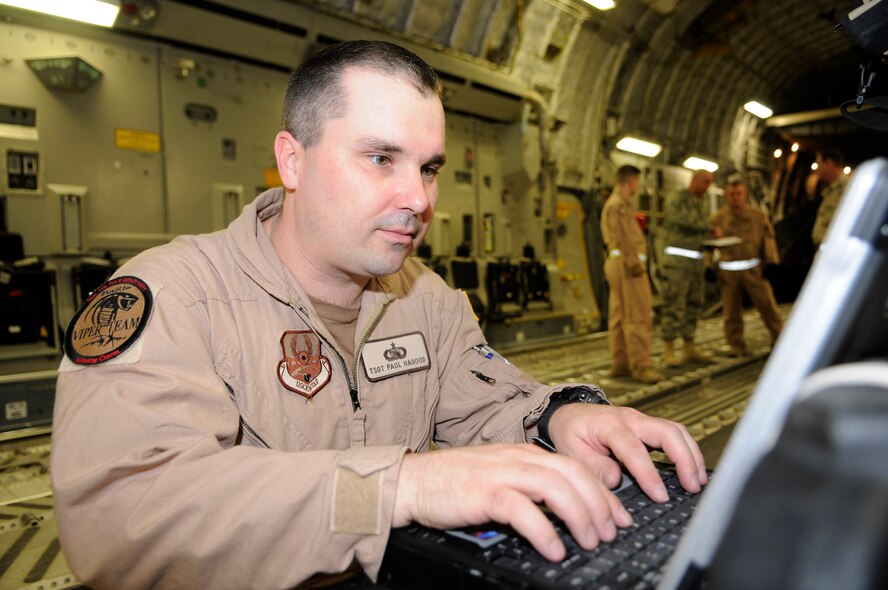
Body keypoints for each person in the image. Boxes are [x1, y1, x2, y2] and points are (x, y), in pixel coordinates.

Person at [50, 41, 707, 589]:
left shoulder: (425, 300)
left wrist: (564, 416)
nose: (417, 198)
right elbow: (121, 516)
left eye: (429, 168)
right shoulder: (171, 296)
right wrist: (392, 487)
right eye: (381, 158)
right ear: (292, 160)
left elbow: (485, 405)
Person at [600, 165, 664, 384]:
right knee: (637, 314)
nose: (638, 185)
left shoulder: (616, 204)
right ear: (631, 181)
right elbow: (623, 238)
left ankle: (621, 362)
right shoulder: (619, 206)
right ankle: (641, 366)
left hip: (617, 264)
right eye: (637, 181)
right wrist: (634, 263)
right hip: (628, 267)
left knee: (619, 314)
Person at [710, 175, 783, 356]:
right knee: (731, 312)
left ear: (744, 194)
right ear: (727, 195)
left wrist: (772, 263)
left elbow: (768, 239)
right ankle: (736, 344)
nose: (735, 197)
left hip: (753, 270)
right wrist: (709, 266)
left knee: (767, 306)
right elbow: (709, 244)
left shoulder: (757, 216)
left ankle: (780, 338)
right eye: (732, 194)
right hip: (729, 272)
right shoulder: (718, 218)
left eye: (739, 193)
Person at [660, 169, 716, 367]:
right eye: (705, 181)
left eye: (710, 182)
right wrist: (707, 226)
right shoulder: (678, 198)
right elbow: (680, 219)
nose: (707, 186)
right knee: (674, 305)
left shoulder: (701, 202)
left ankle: (689, 348)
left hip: (696, 264)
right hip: (678, 264)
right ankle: (669, 350)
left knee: (694, 305)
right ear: (695, 180)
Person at [811, 150, 849, 248]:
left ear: (829, 162)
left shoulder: (848, 188)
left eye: (818, 163)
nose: (816, 168)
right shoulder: (831, 189)